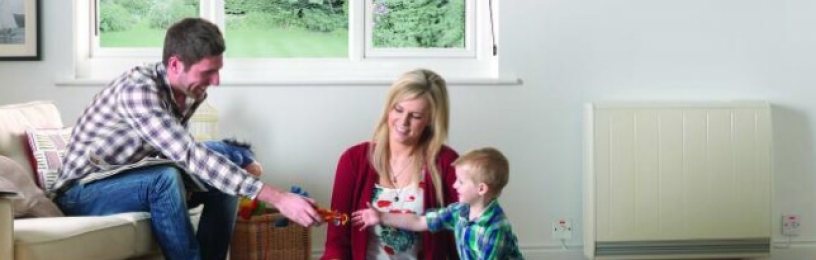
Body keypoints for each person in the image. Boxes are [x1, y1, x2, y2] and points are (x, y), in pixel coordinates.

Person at [52, 18, 321, 260]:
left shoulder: (189, 91)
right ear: (175, 65)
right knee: (164, 179)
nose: (215, 81)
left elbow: (181, 153)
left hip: (132, 174)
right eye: (207, 72)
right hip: (82, 192)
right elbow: (189, 155)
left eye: (218, 70)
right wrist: (279, 198)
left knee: (225, 168)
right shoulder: (138, 92)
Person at [322, 69, 459, 260]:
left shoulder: (446, 163)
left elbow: (467, 227)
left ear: (431, 120)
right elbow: (337, 239)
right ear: (388, 108)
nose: (403, 122)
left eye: (416, 116)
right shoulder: (353, 160)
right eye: (398, 110)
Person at [353, 147, 523, 260]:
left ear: (481, 189)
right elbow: (419, 221)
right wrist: (382, 216)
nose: (454, 185)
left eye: (461, 182)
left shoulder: (495, 230)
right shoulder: (459, 211)